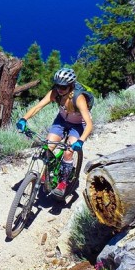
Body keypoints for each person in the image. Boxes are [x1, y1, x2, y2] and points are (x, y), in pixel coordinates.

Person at [16, 67, 93, 198]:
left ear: (71, 85)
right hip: (61, 121)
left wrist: (81, 141)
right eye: (58, 86)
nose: (60, 89)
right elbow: (38, 107)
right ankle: (47, 172)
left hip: (78, 125)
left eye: (63, 87)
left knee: (68, 152)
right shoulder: (55, 93)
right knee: (48, 147)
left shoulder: (79, 98)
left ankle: (63, 182)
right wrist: (24, 119)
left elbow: (89, 124)